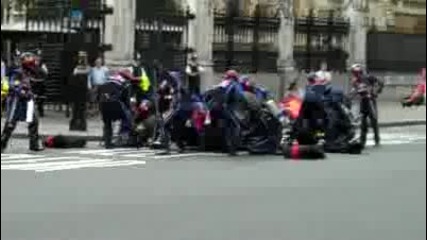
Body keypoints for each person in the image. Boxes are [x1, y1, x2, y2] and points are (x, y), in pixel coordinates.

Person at [1, 52, 44, 153]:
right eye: (28, 59)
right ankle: (2, 143)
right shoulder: (17, 72)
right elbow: (13, 85)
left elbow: (42, 75)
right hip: (17, 100)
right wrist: (22, 91)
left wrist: (36, 66)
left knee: (33, 121)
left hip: (28, 100)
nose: (31, 61)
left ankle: (34, 144)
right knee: (11, 123)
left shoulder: (32, 72)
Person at [350, 64, 384, 147]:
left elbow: (380, 83)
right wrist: (353, 94)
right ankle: (362, 141)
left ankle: (377, 140)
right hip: (363, 101)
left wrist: (375, 92)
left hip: (370, 101)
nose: (355, 75)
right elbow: (355, 91)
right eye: (354, 73)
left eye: (356, 73)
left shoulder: (369, 77)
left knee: (374, 120)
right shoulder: (355, 81)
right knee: (363, 122)